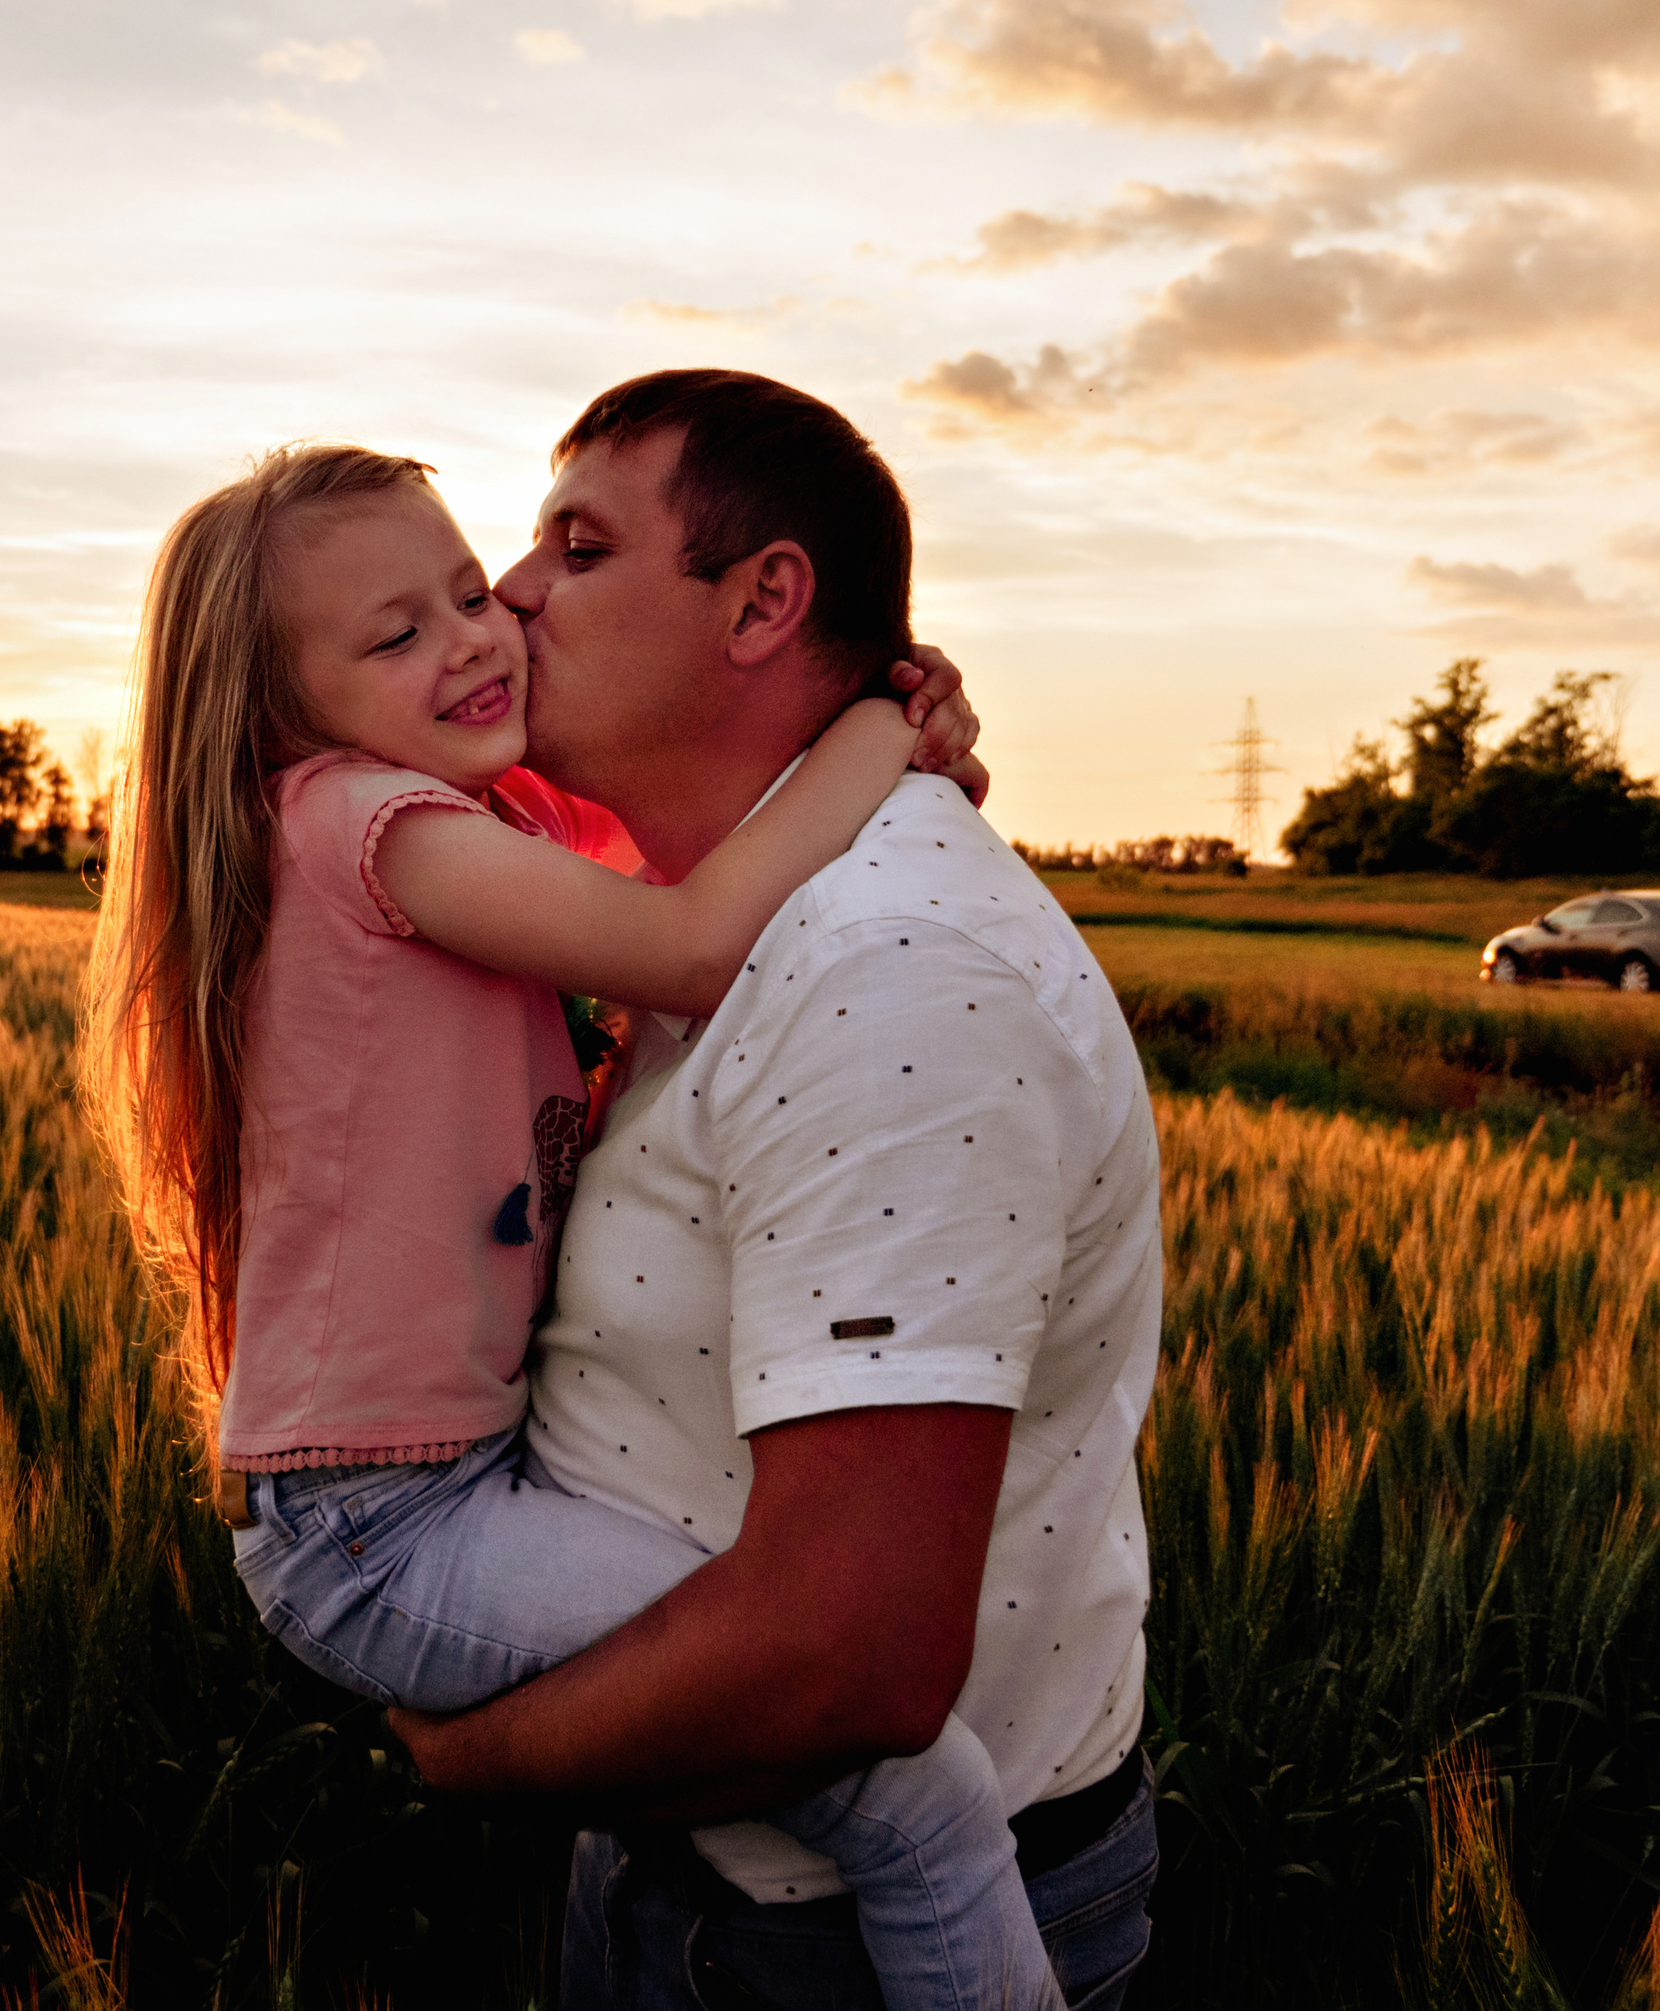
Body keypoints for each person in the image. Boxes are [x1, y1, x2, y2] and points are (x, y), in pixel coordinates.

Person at [84, 439, 1064, 2009]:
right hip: (386, 1520)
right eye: (395, 637)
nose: (477, 634)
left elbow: (701, 832)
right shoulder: (368, 826)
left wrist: (867, 737)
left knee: (787, 1713)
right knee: (919, 1797)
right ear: (278, 711)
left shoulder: (464, 814)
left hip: (428, 1489)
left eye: (469, 590)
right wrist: (880, 730)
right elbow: (685, 937)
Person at [386, 370, 1165, 2011]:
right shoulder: (711, 904)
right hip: (705, 1869)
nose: (513, 591)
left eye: (578, 546)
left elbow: (852, 1656)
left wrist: (467, 1753)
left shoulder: (889, 969)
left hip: (853, 1944)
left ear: (765, 603)